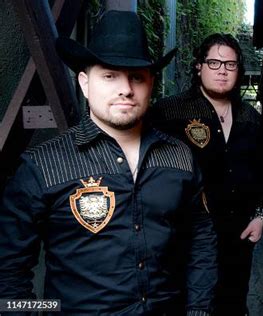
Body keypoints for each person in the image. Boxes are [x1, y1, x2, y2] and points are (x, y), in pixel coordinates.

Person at [0, 10, 217, 315]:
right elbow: (8, 270)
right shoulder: (42, 166)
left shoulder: (180, 157)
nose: (126, 89)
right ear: (85, 83)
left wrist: (199, 309)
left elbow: (201, 239)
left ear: (151, 84)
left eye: (137, 78)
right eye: (110, 76)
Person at [150, 33, 263, 315]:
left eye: (230, 65)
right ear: (199, 66)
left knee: (232, 304)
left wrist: (260, 216)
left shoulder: (250, 118)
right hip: (185, 239)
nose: (222, 70)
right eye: (214, 62)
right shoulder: (170, 111)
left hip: (238, 237)